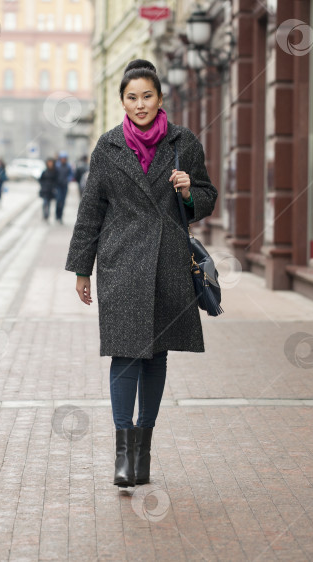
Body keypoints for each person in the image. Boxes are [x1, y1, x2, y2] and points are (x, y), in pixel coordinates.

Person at [65, 59, 218, 488]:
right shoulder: (108, 146)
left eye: (147, 96)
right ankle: (122, 454)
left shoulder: (181, 142)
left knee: (158, 354)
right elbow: (91, 209)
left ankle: (143, 453)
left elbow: (207, 197)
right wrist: (82, 267)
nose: (140, 104)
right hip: (121, 264)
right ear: (122, 101)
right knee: (124, 353)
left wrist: (190, 192)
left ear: (160, 98)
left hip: (168, 261)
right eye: (131, 97)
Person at [54, 151, 73, 224]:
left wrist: (68, 179)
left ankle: (61, 216)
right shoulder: (57, 166)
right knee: (58, 201)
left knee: (63, 202)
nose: (63, 160)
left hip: (64, 187)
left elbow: (71, 175)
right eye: (62, 158)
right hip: (58, 186)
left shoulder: (68, 166)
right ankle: (57, 216)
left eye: (64, 158)